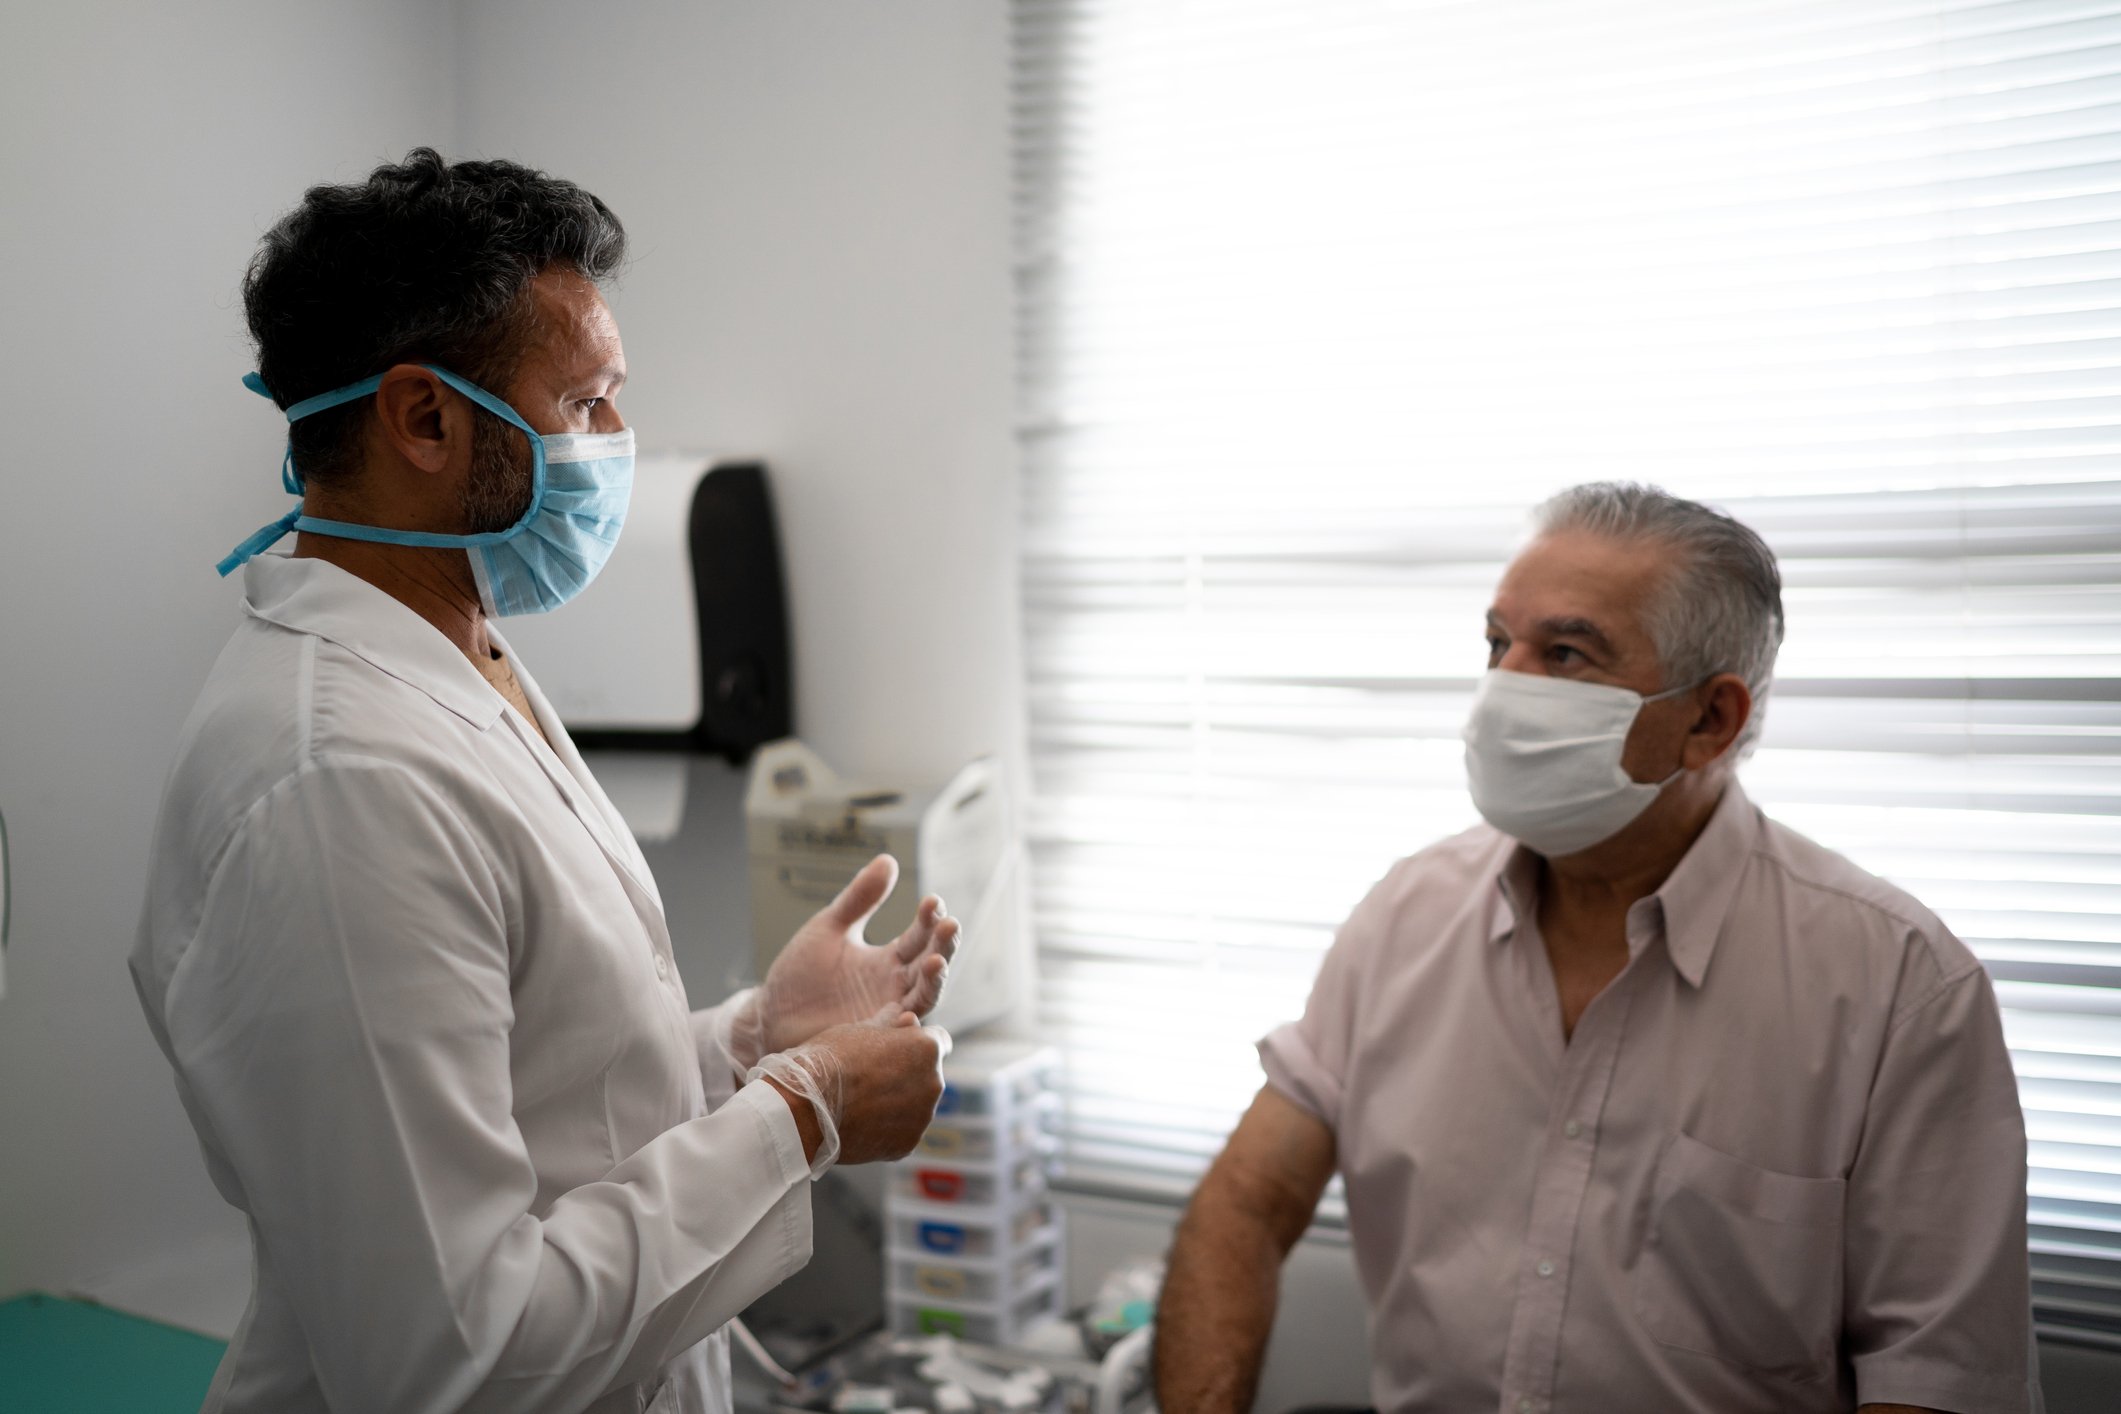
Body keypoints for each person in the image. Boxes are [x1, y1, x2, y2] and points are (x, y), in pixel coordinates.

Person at [130, 150, 955, 1414]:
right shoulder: (339, 784)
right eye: (585, 404)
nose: (617, 447)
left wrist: (754, 1042)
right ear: (424, 418)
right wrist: (809, 1111)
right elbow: (454, 1356)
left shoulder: (457, 661)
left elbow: (553, 1096)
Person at [1155, 484, 2033, 1414]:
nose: (1503, 688)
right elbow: (1246, 1200)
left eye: (1565, 654)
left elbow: (1935, 1378)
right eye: (1499, 645)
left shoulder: (1894, 987)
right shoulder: (1406, 916)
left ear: (1710, 721)